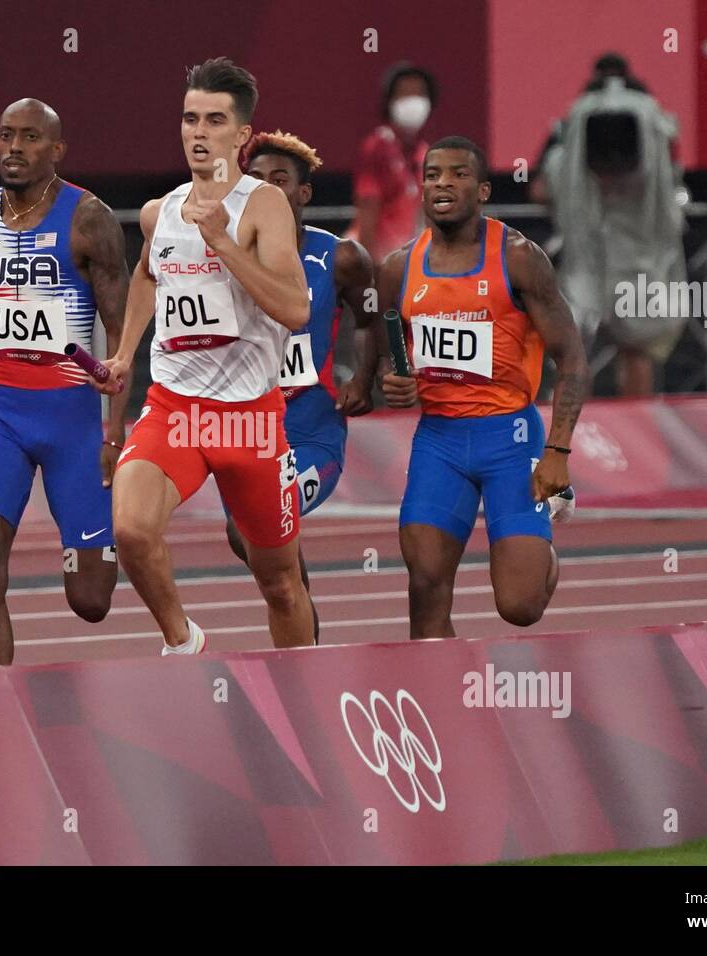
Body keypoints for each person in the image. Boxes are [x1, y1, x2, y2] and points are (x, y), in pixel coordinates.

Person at [97, 58, 315, 653]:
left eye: (214, 120)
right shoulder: (158, 212)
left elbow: (296, 310)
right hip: (176, 410)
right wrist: (123, 355)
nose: (198, 132)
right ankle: (182, 640)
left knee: (280, 585)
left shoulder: (263, 205)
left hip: (251, 419)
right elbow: (147, 275)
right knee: (132, 531)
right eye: (190, 118)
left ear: (242, 135)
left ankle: (303, 693)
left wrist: (222, 240)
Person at [0, 98, 131, 665]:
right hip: (0, 412)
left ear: (56, 150)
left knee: (90, 600)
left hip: (72, 420)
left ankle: (98, 551)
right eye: (5, 136)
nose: (14, 148)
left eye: (30, 138)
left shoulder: (90, 219)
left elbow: (122, 334)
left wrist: (114, 438)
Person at [379, 136, 589, 638]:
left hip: (511, 440)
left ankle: (545, 565)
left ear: (484, 189)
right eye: (432, 175)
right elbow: (393, 346)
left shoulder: (519, 258)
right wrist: (395, 380)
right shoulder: (397, 267)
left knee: (519, 606)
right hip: (439, 440)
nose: (443, 184)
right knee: (425, 585)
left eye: (457, 174)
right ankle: (440, 700)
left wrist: (558, 450)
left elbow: (574, 358)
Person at [230, 130, 377, 643]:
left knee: (256, 524)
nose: (267, 189)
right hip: (244, 439)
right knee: (271, 553)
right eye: (255, 180)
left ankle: (302, 648)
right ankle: (306, 648)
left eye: (280, 180)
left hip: (313, 438)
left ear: (303, 194)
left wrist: (369, 376)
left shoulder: (339, 259)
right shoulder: (225, 256)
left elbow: (377, 314)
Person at [534, 54, 685, 397]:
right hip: (595, 252)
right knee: (581, 349)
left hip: (627, 251)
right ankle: (578, 438)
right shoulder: (578, 124)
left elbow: (541, 188)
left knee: (615, 348)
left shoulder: (643, 121)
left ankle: (606, 437)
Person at [347, 62, 438, 263]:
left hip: (409, 259)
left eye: (420, 94)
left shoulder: (425, 153)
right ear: (389, 101)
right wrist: (371, 273)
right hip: (376, 258)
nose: (413, 102)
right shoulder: (376, 148)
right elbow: (367, 215)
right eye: (405, 94)